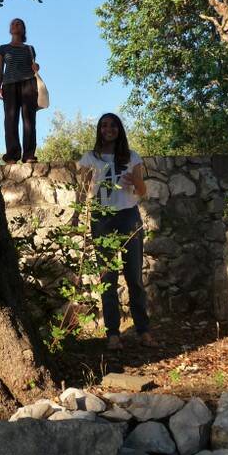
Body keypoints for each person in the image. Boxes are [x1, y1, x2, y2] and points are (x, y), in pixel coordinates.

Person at [77, 113, 156, 351]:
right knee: (107, 279)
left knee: (134, 277)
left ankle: (143, 330)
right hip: (102, 218)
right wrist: (76, 215)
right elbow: (82, 189)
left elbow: (142, 191)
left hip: (129, 216)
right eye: (104, 125)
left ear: (119, 129)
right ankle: (113, 334)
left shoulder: (132, 157)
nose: (108, 129)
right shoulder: (90, 157)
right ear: (99, 130)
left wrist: (136, 181)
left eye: (112, 125)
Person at [0, 18, 40, 163]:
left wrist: (37, 67)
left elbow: (34, 66)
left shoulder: (29, 48)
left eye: (18, 23)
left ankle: (28, 155)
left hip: (29, 84)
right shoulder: (3, 48)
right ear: (10, 29)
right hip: (9, 85)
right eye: (13, 24)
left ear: (23, 29)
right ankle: (12, 155)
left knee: (29, 120)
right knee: (10, 120)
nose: (15, 25)